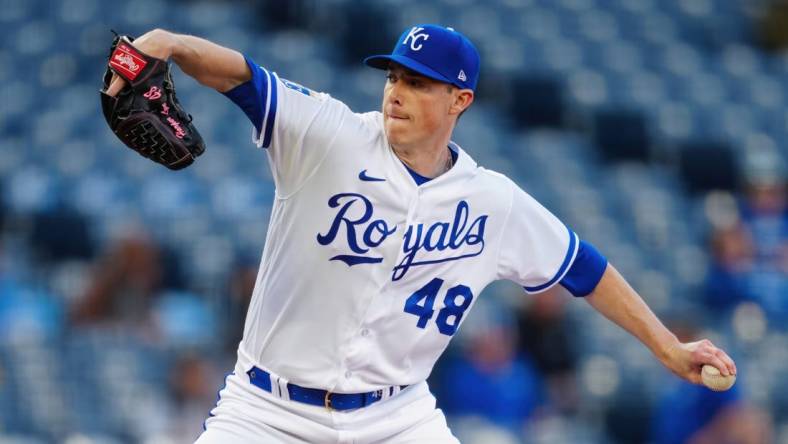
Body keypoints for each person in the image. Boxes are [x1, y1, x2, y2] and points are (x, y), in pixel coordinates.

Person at [104, 24, 737, 443]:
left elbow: (586, 270)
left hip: (395, 418)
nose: (397, 92)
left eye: (418, 82)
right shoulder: (329, 135)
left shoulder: (492, 201)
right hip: (267, 412)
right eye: (394, 77)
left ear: (460, 100)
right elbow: (241, 75)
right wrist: (170, 44)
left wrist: (669, 349)